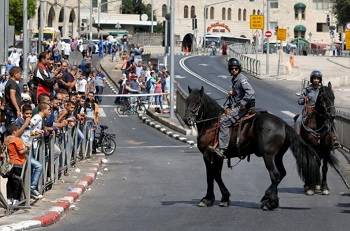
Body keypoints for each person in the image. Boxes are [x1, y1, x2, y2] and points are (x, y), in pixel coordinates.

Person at [209, 58, 255, 157]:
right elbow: (240, 92)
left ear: (239, 69)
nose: (234, 70)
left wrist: (242, 103)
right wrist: (233, 93)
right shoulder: (235, 79)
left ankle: (223, 149)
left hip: (244, 106)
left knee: (224, 122)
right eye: (232, 69)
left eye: (236, 68)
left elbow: (251, 92)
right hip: (237, 104)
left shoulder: (241, 79)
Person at [297, 70, 340, 148]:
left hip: (321, 111)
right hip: (308, 111)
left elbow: (328, 99)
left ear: (320, 80)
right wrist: (304, 99)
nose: (316, 80)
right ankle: (297, 139)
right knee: (298, 120)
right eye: (314, 78)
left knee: (334, 121)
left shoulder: (323, 90)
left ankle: (335, 139)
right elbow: (299, 101)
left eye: (317, 78)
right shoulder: (307, 89)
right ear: (311, 79)